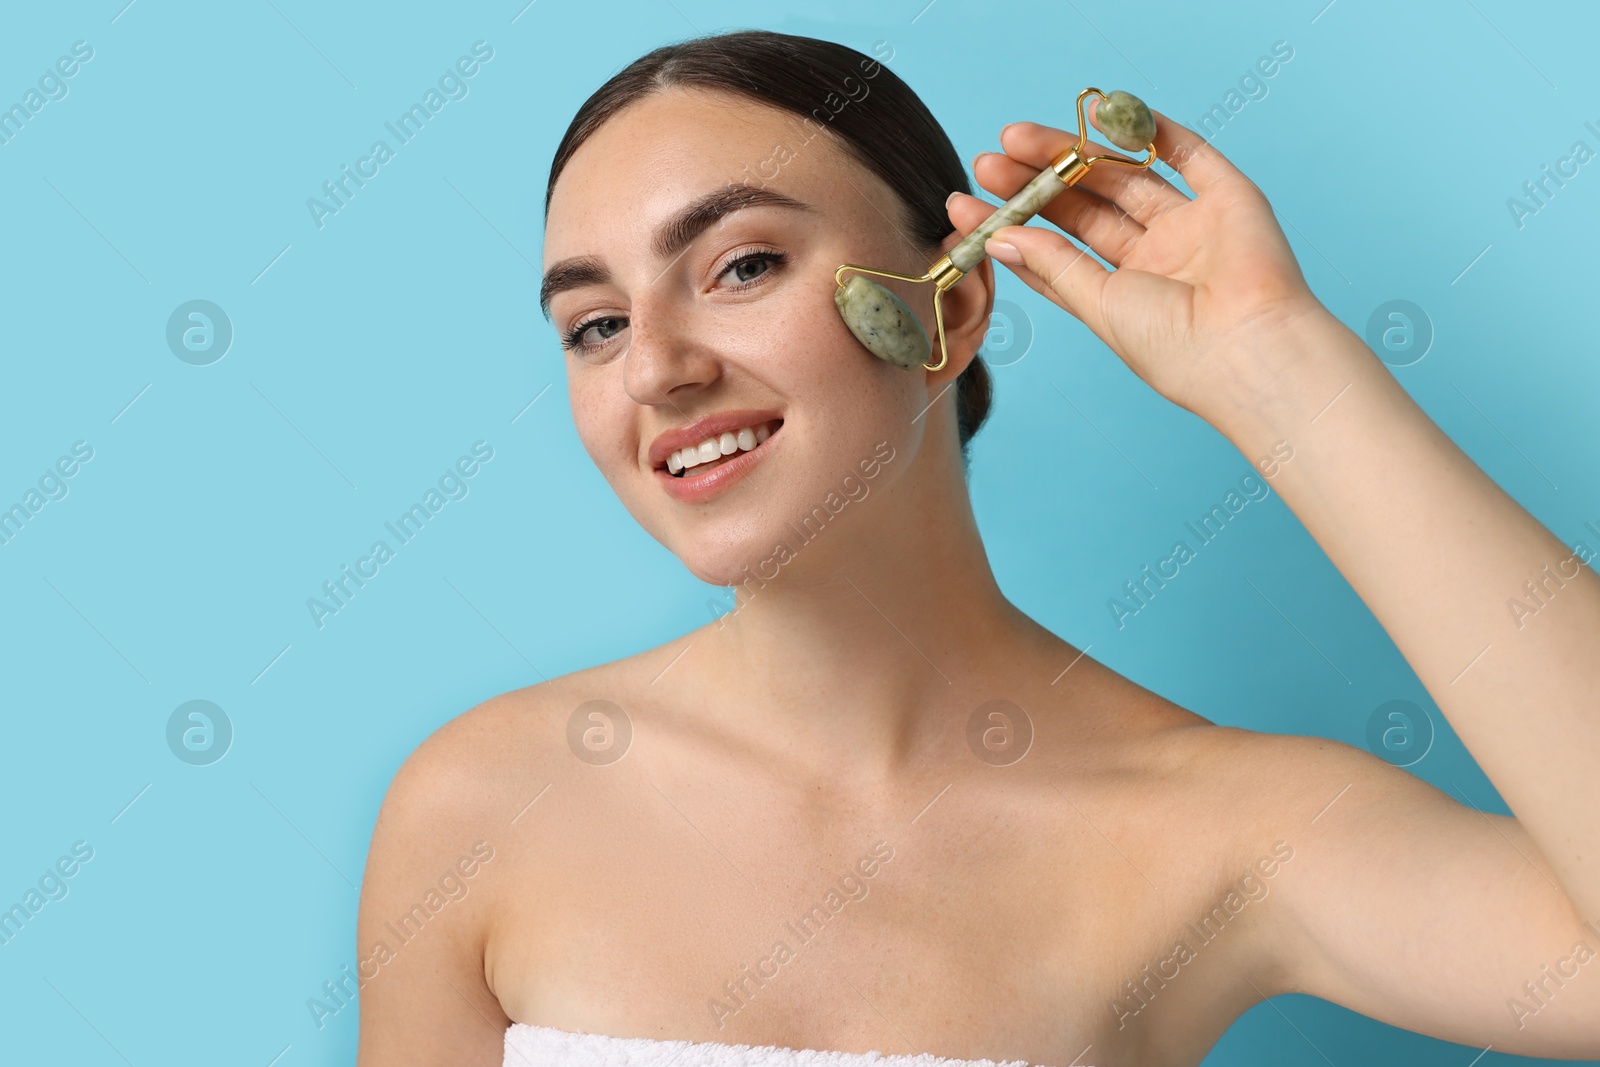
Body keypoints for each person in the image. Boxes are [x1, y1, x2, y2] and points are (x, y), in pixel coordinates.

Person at [354, 28, 1600, 1067]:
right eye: (595, 323)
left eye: (740, 265)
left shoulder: (1218, 821)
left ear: (946, 302)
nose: (657, 369)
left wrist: (1282, 376)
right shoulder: (481, 804)